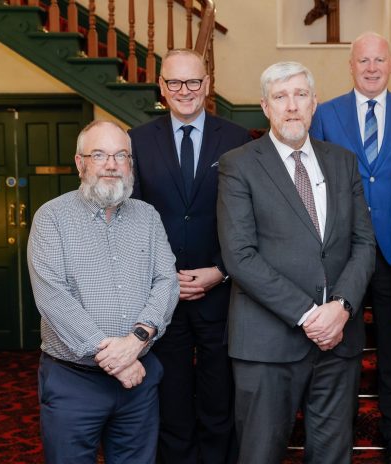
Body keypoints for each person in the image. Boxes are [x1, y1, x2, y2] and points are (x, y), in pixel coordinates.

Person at [217, 61, 375, 464]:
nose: (291, 106)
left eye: (300, 95)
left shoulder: (342, 161)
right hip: (268, 344)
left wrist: (341, 308)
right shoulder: (239, 164)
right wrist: (309, 315)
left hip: (338, 342)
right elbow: (240, 255)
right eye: (280, 97)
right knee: (260, 455)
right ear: (265, 107)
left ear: (314, 103)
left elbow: (363, 244)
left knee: (332, 455)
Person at [309, 31, 391, 463]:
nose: (371, 67)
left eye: (379, 60)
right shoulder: (324, 115)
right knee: (340, 351)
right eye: (363, 60)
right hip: (342, 254)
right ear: (351, 65)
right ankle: (335, 436)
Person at [27, 120, 179, 464]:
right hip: (73, 383)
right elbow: (53, 297)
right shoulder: (51, 217)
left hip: (139, 384)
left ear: (130, 165)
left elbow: (166, 281)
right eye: (99, 154)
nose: (112, 164)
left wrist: (137, 340)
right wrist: (117, 360)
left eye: (121, 155)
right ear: (80, 163)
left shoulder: (148, 217)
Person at [129, 48, 251, 464]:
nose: (185, 91)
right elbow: (134, 220)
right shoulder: (137, 140)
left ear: (208, 84)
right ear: (162, 87)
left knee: (220, 399)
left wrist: (221, 270)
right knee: (172, 399)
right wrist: (166, 277)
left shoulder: (236, 139)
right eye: (175, 82)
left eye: (194, 81)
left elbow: (248, 218)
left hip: (221, 292)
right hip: (162, 298)